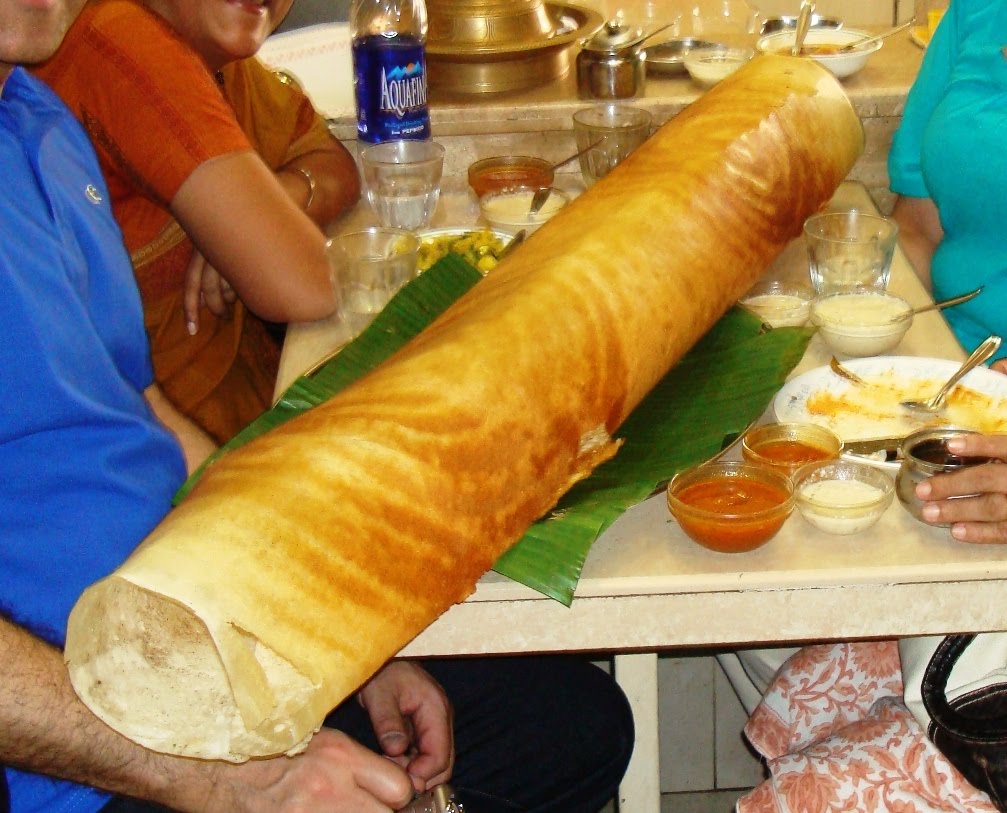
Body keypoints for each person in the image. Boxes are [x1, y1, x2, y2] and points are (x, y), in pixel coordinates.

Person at [0, 3, 634, 811]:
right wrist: (226, 781)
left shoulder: (35, 118)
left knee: (571, 725)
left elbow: (142, 410)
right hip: (74, 743)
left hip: (183, 634)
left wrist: (329, 634)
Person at [33, 0, 361, 444]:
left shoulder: (219, 58)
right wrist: (260, 229)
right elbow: (309, 286)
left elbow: (334, 164)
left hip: (231, 422)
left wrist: (262, 208)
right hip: (157, 451)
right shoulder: (125, 41)